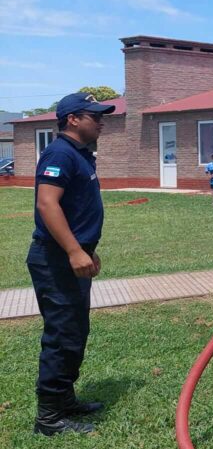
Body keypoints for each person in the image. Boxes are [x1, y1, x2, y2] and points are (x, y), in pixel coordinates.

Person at [27, 93, 115, 436]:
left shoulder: (79, 154)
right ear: (73, 120)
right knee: (63, 335)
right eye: (94, 116)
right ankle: (48, 418)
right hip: (55, 259)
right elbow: (48, 205)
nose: (101, 121)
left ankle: (64, 400)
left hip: (71, 255)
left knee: (75, 332)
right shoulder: (59, 153)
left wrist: (85, 249)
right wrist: (74, 252)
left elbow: (76, 210)